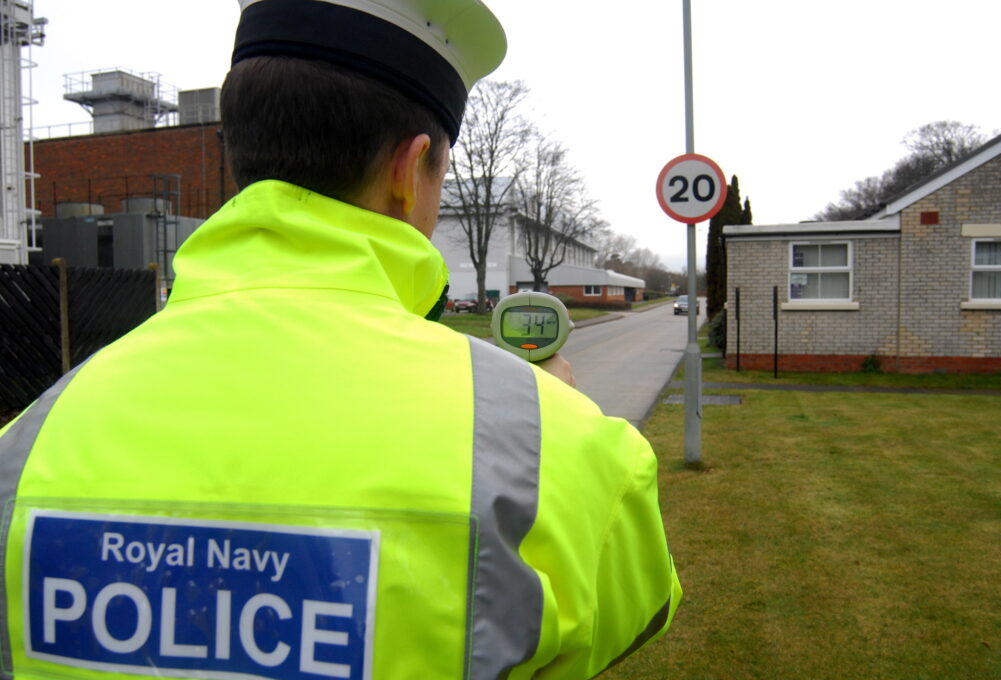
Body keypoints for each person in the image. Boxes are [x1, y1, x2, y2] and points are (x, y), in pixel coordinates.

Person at [0, 1, 681, 678]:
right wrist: (546, 417)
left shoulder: (27, 445)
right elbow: (636, 612)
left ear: (241, 158)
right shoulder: (558, 452)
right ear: (410, 171)